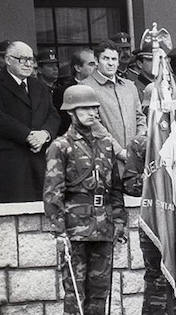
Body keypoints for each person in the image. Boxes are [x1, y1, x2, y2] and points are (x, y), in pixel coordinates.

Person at [43, 84, 125, 315]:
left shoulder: (106, 144)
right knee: (75, 292)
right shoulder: (61, 147)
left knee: (100, 290)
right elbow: (53, 192)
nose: (92, 113)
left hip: (103, 227)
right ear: (71, 112)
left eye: (94, 108)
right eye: (84, 108)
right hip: (75, 229)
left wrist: (118, 221)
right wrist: (59, 232)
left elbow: (115, 188)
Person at [122, 84, 176, 314]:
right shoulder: (141, 144)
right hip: (155, 219)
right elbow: (129, 184)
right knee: (157, 280)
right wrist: (156, 184)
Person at [0, 41, 60, 203]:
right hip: (11, 162)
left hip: (40, 159)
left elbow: (53, 115)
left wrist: (44, 134)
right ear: (8, 60)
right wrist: (27, 135)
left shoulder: (38, 85)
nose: (28, 64)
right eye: (22, 59)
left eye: (30, 59)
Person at [80, 40, 147, 174]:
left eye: (114, 59)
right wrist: (119, 151)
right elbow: (93, 125)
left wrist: (136, 148)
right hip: (104, 162)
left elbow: (140, 118)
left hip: (135, 162)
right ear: (96, 60)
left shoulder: (129, 86)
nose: (111, 63)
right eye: (105, 58)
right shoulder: (85, 88)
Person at [54, 48, 97, 136]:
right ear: (78, 68)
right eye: (91, 64)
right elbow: (62, 124)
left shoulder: (101, 89)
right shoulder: (64, 92)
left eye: (97, 64)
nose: (96, 68)